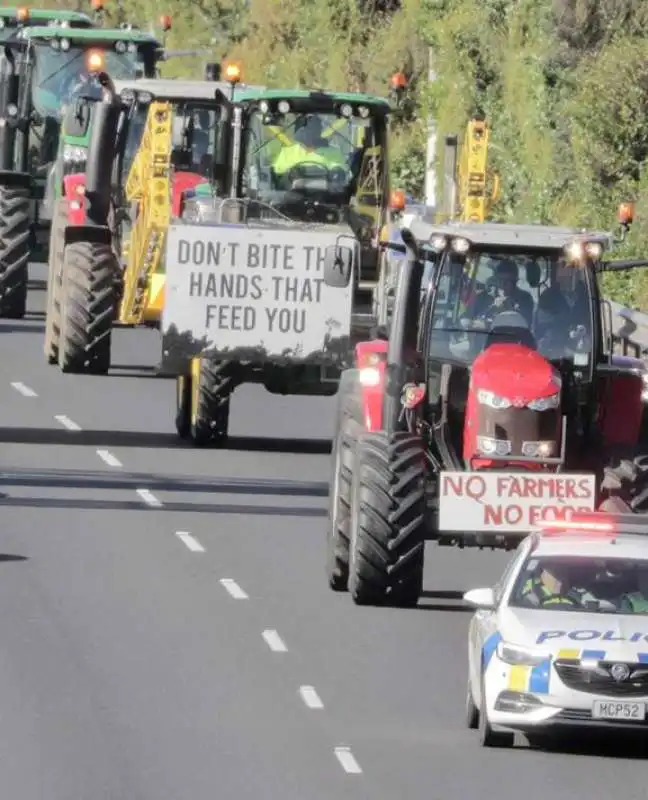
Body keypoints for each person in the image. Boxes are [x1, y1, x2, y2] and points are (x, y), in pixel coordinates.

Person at [271, 115, 348, 181]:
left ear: (318, 132)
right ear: (298, 133)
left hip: (325, 194)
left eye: (311, 131)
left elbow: (340, 173)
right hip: (294, 193)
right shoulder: (287, 152)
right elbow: (278, 173)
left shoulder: (334, 152)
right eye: (304, 131)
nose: (308, 135)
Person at [470, 259, 534, 327]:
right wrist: (492, 308)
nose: (503, 284)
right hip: (485, 336)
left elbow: (525, 325)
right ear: (495, 280)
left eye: (508, 281)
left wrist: (508, 309)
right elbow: (467, 319)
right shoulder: (483, 297)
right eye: (500, 280)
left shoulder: (525, 299)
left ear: (515, 282)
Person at [521, 561, 598, 607]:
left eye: (563, 569)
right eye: (553, 568)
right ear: (543, 569)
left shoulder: (585, 594)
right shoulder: (531, 588)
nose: (559, 571)